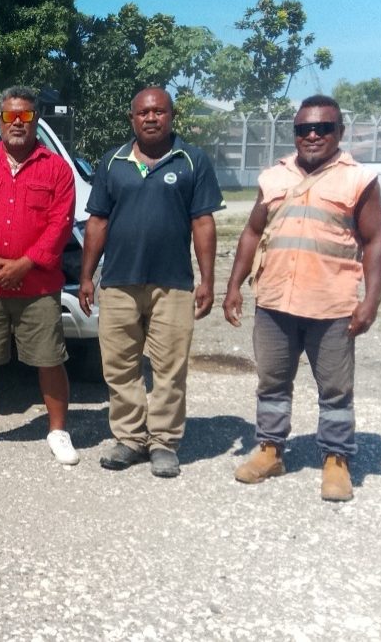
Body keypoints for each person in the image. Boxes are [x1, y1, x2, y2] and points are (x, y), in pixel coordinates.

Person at [223, 95, 381, 502]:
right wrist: (233, 286)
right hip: (275, 300)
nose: (312, 135)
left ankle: (336, 459)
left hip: (331, 304)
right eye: (303, 129)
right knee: (272, 382)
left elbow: (375, 239)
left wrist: (371, 300)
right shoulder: (274, 177)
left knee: (334, 389)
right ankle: (270, 449)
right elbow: (251, 232)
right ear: (294, 132)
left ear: (339, 132)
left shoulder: (357, 179)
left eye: (323, 128)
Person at [78, 86, 223, 478]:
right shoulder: (113, 163)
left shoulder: (192, 160)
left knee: (169, 367)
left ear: (171, 116)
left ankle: (163, 442)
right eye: (143, 112)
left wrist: (208, 279)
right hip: (119, 282)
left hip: (172, 283)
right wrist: (87, 276)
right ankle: (128, 438)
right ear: (132, 118)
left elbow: (203, 222)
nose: (151, 118)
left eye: (159, 111)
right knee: (120, 365)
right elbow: (97, 222)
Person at [0, 86, 78, 462]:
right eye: (10, 116)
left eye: (24, 116)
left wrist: (25, 263)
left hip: (37, 285)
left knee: (49, 358)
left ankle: (57, 431)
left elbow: (60, 224)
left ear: (35, 120)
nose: (17, 123)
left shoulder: (56, 169)